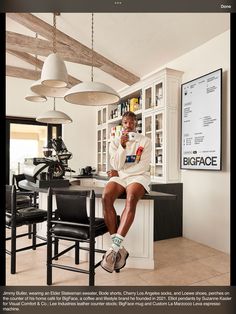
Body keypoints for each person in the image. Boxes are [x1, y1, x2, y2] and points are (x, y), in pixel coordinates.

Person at [101, 111, 152, 273]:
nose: (128, 125)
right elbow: (115, 164)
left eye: (131, 122)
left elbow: (143, 166)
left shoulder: (145, 141)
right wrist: (122, 147)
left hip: (138, 176)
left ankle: (113, 249)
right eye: (125, 123)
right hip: (121, 177)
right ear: (122, 124)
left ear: (136, 124)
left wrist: (122, 171)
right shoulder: (115, 142)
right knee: (106, 197)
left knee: (131, 199)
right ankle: (119, 248)